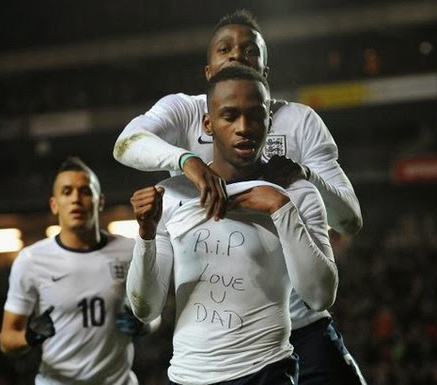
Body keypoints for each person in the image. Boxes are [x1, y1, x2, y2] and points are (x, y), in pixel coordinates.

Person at [114, 9, 366, 385]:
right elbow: (125, 144)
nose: (236, 55)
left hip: (299, 324)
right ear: (208, 73)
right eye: (225, 48)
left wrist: (302, 177)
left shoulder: (299, 120)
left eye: (250, 49)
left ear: (265, 72)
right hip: (218, 339)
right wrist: (188, 163)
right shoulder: (185, 111)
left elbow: (348, 220)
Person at [0, 156, 155, 385]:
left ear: (99, 201)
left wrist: (145, 324)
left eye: (84, 191)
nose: (76, 199)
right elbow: (6, 341)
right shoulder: (31, 260)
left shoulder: (130, 250)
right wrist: (29, 337)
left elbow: (155, 310)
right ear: (54, 204)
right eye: (67, 191)